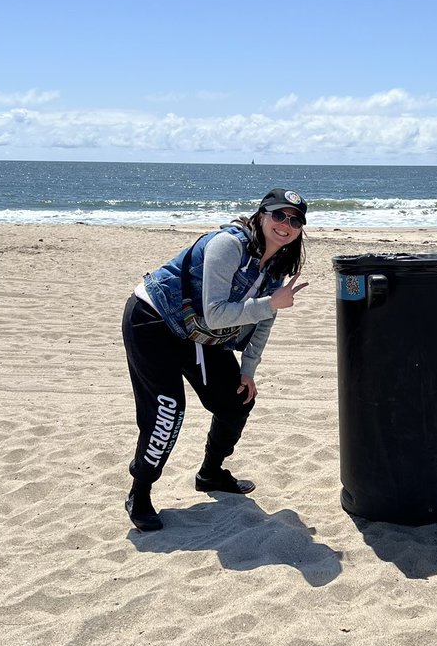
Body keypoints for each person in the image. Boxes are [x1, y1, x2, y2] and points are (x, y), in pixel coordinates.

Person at [121, 188, 309, 532]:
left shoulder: (277, 266)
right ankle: (140, 491)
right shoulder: (229, 245)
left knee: (237, 399)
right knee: (168, 409)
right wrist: (271, 303)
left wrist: (248, 371)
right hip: (154, 321)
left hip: (199, 334)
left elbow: (264, 323)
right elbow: (217, 312)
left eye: (295, 220)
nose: (286, 224)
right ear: (261, 215)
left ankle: (211, 473)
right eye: (278, 215)